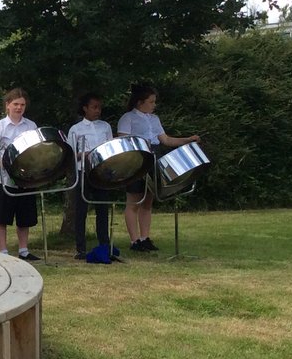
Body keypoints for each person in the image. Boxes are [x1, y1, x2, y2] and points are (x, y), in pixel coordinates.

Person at [117, 83, 201, 253]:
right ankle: (134, 241)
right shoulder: (128, 118)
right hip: (137, 157)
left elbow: (166, 140)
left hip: (154, 156)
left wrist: (188, 140)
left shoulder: (154, 119)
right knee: (134, 200)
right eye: (151, 102)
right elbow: (123, 141)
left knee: (148, 201)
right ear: (140, 102)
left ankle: (145, 237)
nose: (154, 105)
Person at [0, 88, 41, 261]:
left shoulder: (31, 126)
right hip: (4, 178)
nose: (19, 108)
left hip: (25, 178)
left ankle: (23, 250)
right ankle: (3, 251)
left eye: (22, 105)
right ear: (7, 105)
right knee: (1, 217)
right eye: (15, 104)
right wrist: (5, 165)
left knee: (24, 217)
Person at [67, 92, 115, 260]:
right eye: (94, 107)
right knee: (81, 210)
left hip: (102, 172)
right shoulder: (76, 129)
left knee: (102, 208)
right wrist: (84, 154)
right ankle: (81, 248)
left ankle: (104, 244)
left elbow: (111, 146)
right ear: (85, 108)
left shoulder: (105, 126)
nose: (97, 110)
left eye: (99, 107)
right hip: (84, 171)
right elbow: (71, 154)